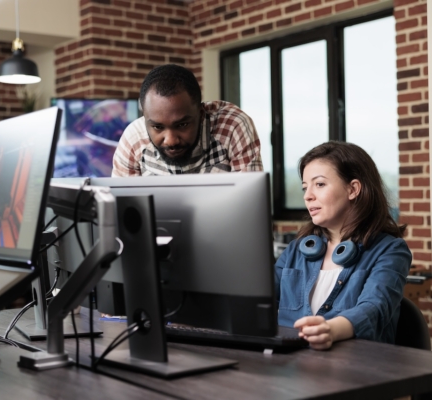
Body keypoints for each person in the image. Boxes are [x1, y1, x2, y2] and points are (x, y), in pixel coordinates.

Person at [275, 141, 411, 350]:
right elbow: (260, 300)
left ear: (353, 189)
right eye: (305, 187)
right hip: (289, 369)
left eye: (319, 184)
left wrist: (331, 330)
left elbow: (374, 307)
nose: (307, 195)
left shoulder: (391, 250)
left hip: (355, 369)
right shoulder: (295, 250)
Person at [112, 64, 263, 176]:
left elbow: (251, 208)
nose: (171, 141)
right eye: (158, 127)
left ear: (202, 113)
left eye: (182, 124)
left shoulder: (233, 127)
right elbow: (120, 212)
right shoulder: (133, 139)